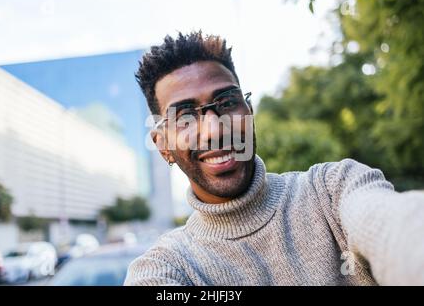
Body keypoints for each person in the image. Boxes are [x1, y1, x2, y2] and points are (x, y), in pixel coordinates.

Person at [124, 31, 424, 286]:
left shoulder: (332, 190)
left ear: (249, 112)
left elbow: (397, 229)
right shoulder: (167, 269)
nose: (215, 129)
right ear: (163, 145)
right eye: (185, 116)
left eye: (227, 102)